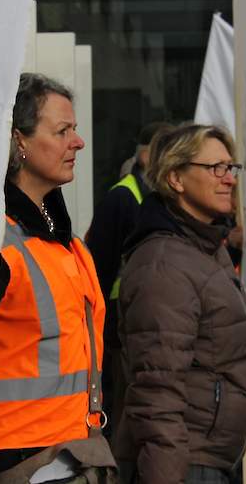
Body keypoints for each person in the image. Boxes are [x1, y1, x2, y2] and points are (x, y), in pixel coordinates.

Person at [0, 73, 117, 483]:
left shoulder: (69, 247)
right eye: (63, 131)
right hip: (6, 467)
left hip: (74, 457)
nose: (78, 142)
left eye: (75, 130)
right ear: (19, 142)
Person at [114, 124, 246, 484]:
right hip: (184, 464)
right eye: (215, 168)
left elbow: (220, 338)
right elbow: (157, 390)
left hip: (205, 458)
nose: (230, 179)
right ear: (175, 178)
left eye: (231, 168)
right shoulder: (164, 263)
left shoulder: (205, 248)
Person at [85, 120, 169, 442]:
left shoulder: (158, 198)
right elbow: (99, 270)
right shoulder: (122, 199)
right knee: (123, 415)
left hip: (148, 324)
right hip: (122, 328)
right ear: (147, 157)